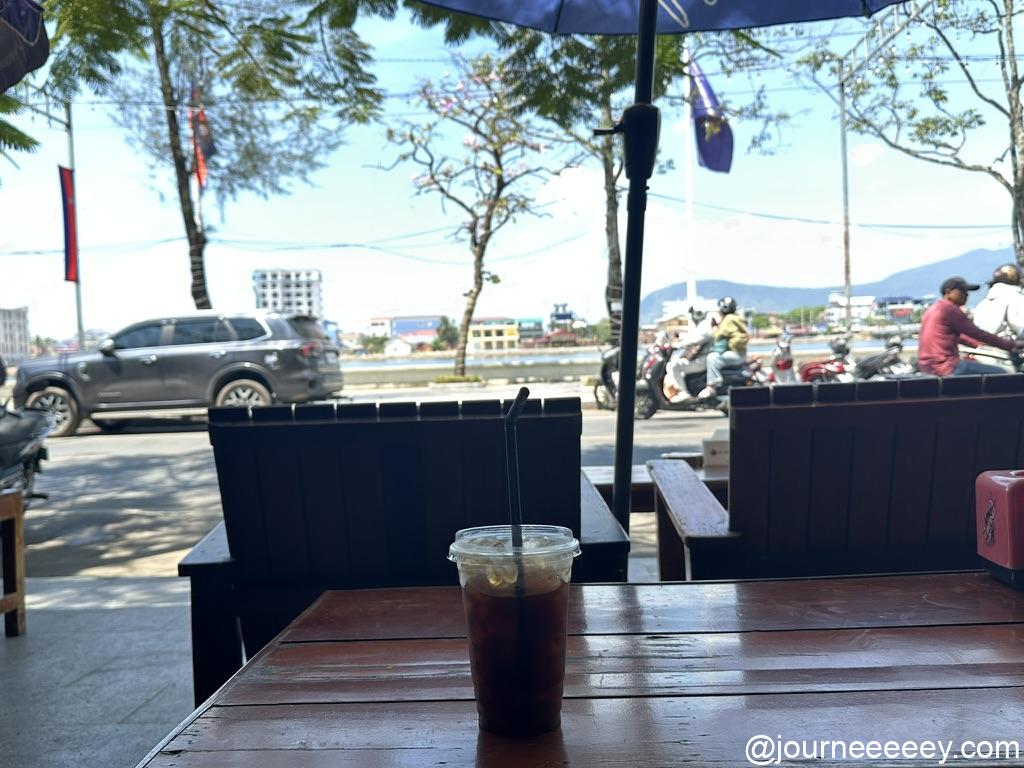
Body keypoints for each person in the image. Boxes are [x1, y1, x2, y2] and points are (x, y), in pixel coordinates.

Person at [918, 276, 1024, 376]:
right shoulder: (950, 310)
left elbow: (956, 335)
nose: (967, 295)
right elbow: (977, 333)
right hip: (946, 366)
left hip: (927, 366)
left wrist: (976, 344)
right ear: (949, 292)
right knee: (1002, 373)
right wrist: (1011, 345)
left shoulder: (933, 309)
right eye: (963, 291)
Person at [697, 296, 747, 399]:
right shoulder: (737, 318)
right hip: (741, 354)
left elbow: (719, 335)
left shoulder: (728, 319)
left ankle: (711, 386)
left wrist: (714, 327)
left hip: (735, 355)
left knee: (712, 358)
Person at [972, 263, 1024, 338]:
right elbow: (1021, 328)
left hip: (983, 343)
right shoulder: (1017, 298)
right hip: (1007, 343)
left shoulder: (983, 303)